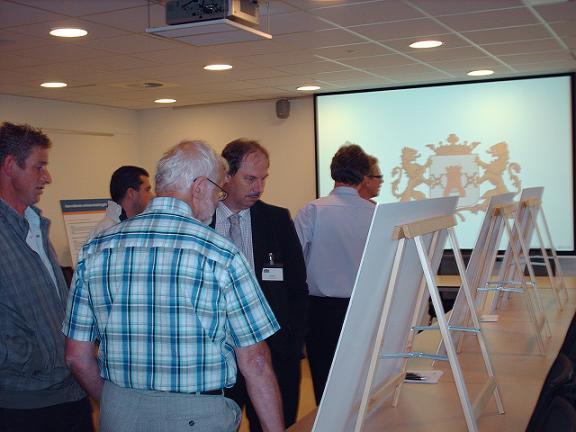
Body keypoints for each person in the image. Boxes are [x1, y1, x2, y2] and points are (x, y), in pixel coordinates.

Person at [62, 140, 284, 432]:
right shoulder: (220, 253)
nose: (217, 200)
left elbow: (76, 357)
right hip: (197, 417)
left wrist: (119, 403)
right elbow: (255, 361)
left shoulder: (96, 248)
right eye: (218, 191)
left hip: (120, 412)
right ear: (199, 187)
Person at [0, 122, 93, 431]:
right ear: (10, 166)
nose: (47, 177)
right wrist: (37, 357)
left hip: (69, 391)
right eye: (39, 167)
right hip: (23, 404)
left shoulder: (34, 224)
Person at [212, 138, 308, 431]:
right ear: (226, 176)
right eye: (250, 178)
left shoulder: (277, 220)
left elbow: (296, 286)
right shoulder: (201, 221)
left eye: (264, 178)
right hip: (218, 356)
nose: (259, 187)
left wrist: (293, 344)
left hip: (274, 352)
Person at [294, 143, 375, 404]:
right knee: (361, 381)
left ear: (333, 173)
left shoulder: (313, 210)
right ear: (364, 176)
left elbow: (294, 260)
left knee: (324, 381)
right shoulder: (376, 213)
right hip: (365, 308)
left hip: (321, 311)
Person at [90, 165, 153, 237]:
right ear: (131, 193)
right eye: (147, 190)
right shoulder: (106, 231)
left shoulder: (135, 225)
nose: (152, 196)